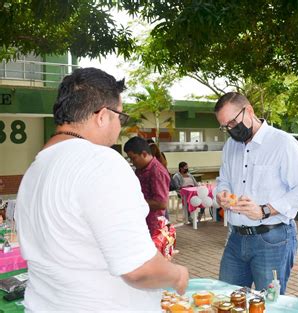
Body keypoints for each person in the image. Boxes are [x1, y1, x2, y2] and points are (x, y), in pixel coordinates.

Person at [14, 68, 188, 311]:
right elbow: (138, 269)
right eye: (121, 117)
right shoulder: (100, 161)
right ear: (103, 115)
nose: (119, 126)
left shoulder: (36, 169)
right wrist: (177, 274)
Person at [214, 92, 298, 294]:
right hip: (236, 236)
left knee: (268, 304)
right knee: (226, 298)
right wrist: (222, 193)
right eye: (225, 127)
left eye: (232, 122)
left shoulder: (283, 143)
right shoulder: (230, 146)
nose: (230, 130)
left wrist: (264, 210)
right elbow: (223, 179)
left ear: (249, 110)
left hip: (272, 238)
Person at [124, 136, 171, 232]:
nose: (132, 162)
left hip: (153, 226)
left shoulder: (157, 171)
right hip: (141, 222)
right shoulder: (140, 169)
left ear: (144, 154)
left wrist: (135, 201)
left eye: (133, 158)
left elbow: (161, 203)